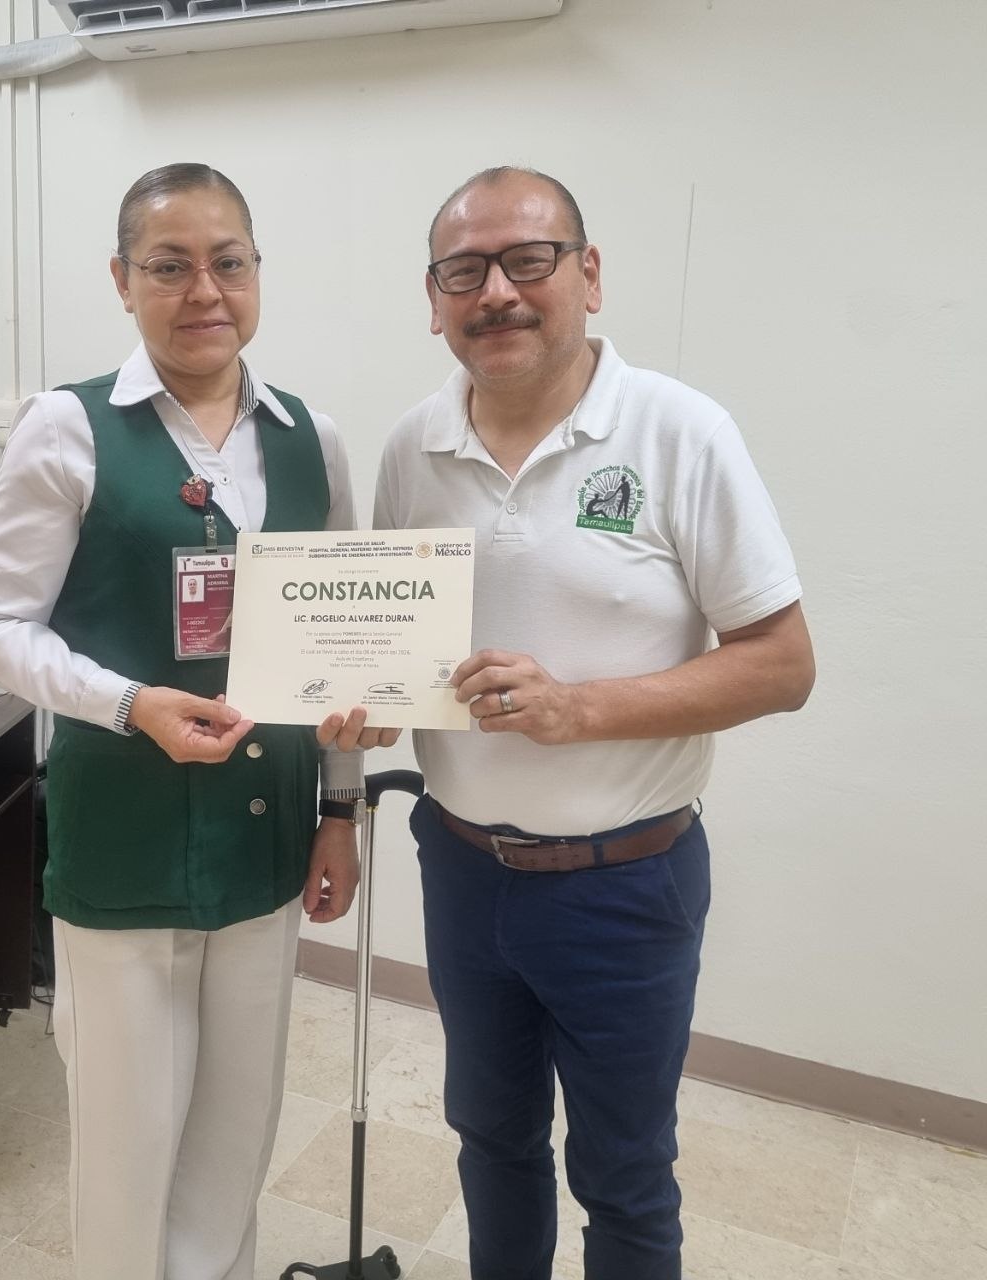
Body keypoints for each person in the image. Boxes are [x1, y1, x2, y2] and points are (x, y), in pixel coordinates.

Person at [0, 163, 392, 1280]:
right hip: (125, 837)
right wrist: (127, 701)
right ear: (122, 280)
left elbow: (342, 649)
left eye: (228, 262)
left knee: (235, 1135)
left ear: (257, 273)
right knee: (127, 1142)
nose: (204, 290)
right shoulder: (68, 427)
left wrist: (340, 810)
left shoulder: (311, 438)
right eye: (169, 265)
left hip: (264, 835)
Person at [373, 167, 815, 1280]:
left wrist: (580, 708)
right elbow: (384, 644)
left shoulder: (679, 431)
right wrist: (356, 705)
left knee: (623, 1175)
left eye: (528, 259)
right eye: (462, 271)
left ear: (589, 274)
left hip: (624, 884)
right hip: (461, 869)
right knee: (490, 1140)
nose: (496, 292)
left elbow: (783, 665)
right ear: (433, 299)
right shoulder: (410, 448)